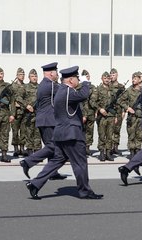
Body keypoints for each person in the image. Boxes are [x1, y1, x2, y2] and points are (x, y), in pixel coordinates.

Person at [25, 66, 103, 200]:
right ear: (71, 80)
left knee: (56, 160)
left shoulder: (61, 91)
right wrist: (86, 82)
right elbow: (84, 95)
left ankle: (35, 183)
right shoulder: (67, 92)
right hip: (71, 133)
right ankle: (85, 191)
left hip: (61, 134)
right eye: (77, 78)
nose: (79, 81)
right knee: (80, 163)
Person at [19, 62, 66, 180]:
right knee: (52, 146)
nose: (57, 74)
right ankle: (28, 162)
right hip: (48, 121)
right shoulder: (50, 85)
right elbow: (66, 91)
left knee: (55, 146)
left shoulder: (44, 84)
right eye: (56, 72)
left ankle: (52, 172)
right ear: (51, 73)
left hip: (46, 120)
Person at [0, 66, 15, 162]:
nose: (0, 75)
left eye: (1, 74)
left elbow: (12, 101)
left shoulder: (8, 86)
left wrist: (12, 114)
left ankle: (4, 155)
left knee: (5, 134)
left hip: (5, 112)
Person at [118, 71, 142, 159]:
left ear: (140, 79)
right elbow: (120, 100)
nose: (133, 80)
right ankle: (132, 152)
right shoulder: (129, 90)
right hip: (132, 117)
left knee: (140, 135)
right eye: (133, 78)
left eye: (135, 78)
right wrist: (127, 108)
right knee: (131, 135)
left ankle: (138, 151)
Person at [95, 72, 116, 161]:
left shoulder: (113, 89)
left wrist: (116, 116)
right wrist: (100, 109)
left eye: (108, 78)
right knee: (102, 135)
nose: (107, 80)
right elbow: (92, 101)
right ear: (102, 78)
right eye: (105, 78)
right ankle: (101, 152)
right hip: (102, 116)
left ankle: (108, 152)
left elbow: (116, 104)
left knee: (110, 135)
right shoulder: (98, 89)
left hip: (111, 115)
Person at [22, 69, 42, 156]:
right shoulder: (25, 87)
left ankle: (37, 152)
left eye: (36, 76)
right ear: (29, 77)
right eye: (32, 76)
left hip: (39, 113)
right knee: (29, 132)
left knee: (38, 133)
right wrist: (26, 105)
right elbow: (18, 98)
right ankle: (30, 151)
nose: (34, 78)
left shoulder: (41, 87)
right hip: (28, 114)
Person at [10, 67, 27, 157]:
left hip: (23, 111)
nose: (22, 76)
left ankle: (22, 148)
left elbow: (27, 98)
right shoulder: (12, 86)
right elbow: (11, 100)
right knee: (15, 131)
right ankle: (16, 149)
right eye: (20, 74)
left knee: (23, 131)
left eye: (23, 74)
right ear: (17, 75)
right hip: (15, 112)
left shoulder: (25, 86)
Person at [81, 70, 98, 156]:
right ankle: (81, 147)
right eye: (85, 76)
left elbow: (94, 100)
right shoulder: (79, 87)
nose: (87, 77)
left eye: (87, 75)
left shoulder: (93, 87)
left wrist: (96, 111)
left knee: (89, 131)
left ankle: (87, 147)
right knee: (81, 131)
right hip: (81, 113)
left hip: (91, 112)